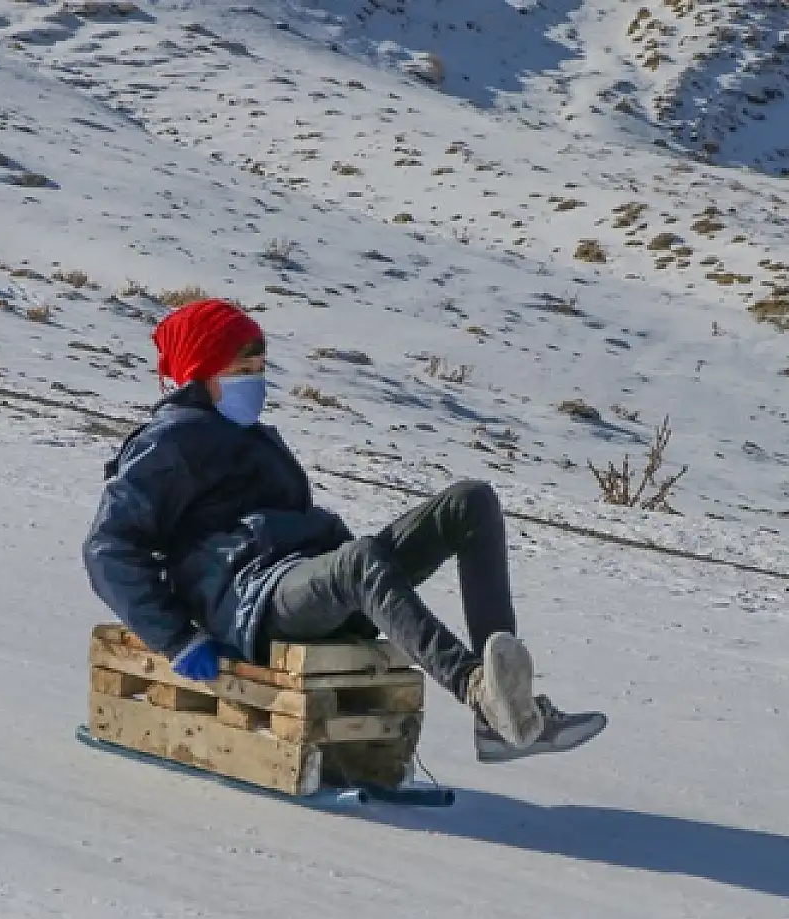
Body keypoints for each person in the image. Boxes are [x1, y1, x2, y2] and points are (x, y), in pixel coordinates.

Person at [82, 299, 605, 762]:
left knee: (471, 502)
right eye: (243, 370)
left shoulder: (248, 436)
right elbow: (108, 546)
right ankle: (475, 688)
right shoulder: (170, 443)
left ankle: (506, 710)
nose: (257, 381)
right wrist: (176, 637)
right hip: (254, 603)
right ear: (202, 375)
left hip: (309, 582)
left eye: (260, 369)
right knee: (359, 563)